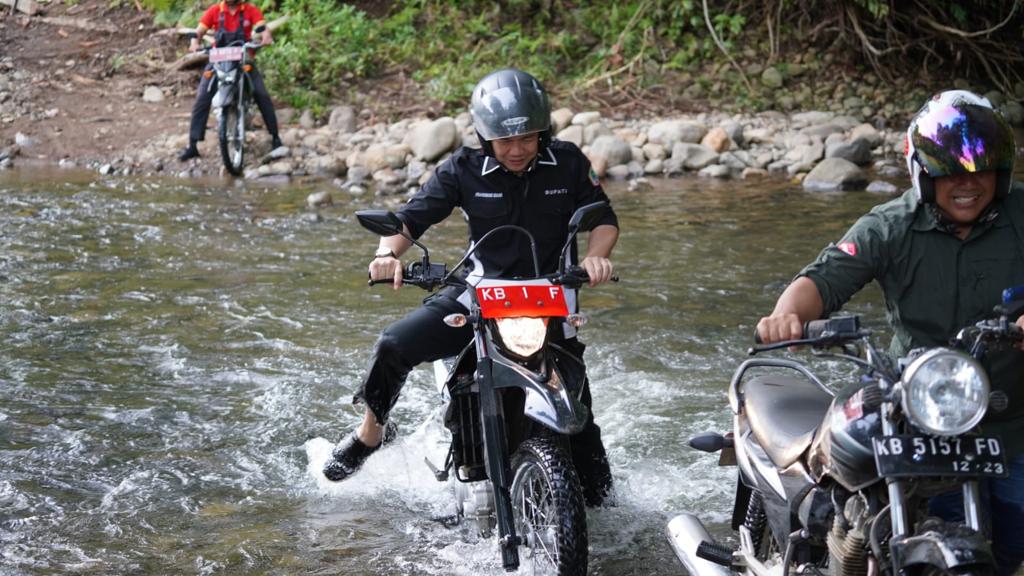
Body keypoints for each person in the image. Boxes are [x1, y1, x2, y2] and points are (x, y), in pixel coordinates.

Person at [756, 90, 1024, 576]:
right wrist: (787, 315)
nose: (968, 185)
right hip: (917, 416)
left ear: (1001, 174)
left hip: (1013, 420)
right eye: (950, 173)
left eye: (981, 171)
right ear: (923, 173)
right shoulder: (891, 224)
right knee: (907, 534)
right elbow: (823, 279)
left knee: (1010, 547)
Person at [323, 68, 619, 506]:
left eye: (527, 139)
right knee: (394, 344)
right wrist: (388, 255)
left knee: (589, 457)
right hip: (478, 294)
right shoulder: (463, 168)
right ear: (484, 137)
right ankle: (371, 433)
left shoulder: (570, 162)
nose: (516, 150)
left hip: (552, 300)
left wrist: (597, 256)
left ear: (543, 133)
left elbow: (603, 220)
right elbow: (410, 219)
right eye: (504, 141)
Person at [178, 0, 282, 162]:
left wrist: (266, 37)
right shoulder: (214, 11)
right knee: (202, 98)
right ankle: (193, 145)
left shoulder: (250, 10)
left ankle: (275, 137)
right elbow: (199, 31)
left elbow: (263, 27)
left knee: (261, 94)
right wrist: (194, 42)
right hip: (218, 60)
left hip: (243, 59)